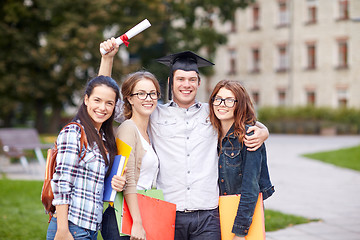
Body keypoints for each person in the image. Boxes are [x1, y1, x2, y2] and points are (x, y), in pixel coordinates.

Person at [99, 38, 269, 239]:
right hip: (168, 214)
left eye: (191, 79)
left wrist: (263, 130)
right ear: (171, 82)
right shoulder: (153, 113)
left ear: (199, 82)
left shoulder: (213, 112)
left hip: (208, 216)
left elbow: (240, 118)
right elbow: (107, 105)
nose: (186, 85)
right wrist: (107, 59)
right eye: (180, 79)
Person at [46, 75, 126, 240]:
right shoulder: (73, 132)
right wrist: (62, 230)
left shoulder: (103, 137)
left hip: (90, 228)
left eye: (109, 103)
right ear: (86, 99)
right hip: (71, 227)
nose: (102, 107)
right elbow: (62, 182)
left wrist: (117, 181)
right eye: (97, 100)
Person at [208, 80, 274, 239]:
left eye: (230, 100)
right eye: (218, 99)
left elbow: (251, 189)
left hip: (240, 217)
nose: (222, 104)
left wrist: (240, 232)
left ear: (240, 105)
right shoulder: (211, 133)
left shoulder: (249, 136)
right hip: (216, 215)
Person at [101, 71, 161, 240]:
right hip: (124, 217)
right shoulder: (128, 128)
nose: (148, 98)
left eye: (152, 93)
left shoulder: (149, 132)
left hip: (143, 213)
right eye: (141, 94)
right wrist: (137, 222)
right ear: (129, 98)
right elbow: (129, 179)